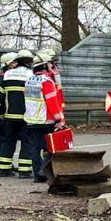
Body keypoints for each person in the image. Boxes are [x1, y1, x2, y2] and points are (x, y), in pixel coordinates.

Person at [24, 53, 65, 182]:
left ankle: (37, 176)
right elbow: (52, 102)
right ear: (44, 66)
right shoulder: (47, 81)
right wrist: (59, 119)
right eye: (50, 64)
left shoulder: (29, 81)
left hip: (32, 120)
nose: (52, 66)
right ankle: (43, 171)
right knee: (51, 149)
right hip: (46, 120)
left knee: (35, 149)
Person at [0, 50, 34, 178]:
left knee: (8, 141)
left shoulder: (7, 75)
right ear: (29, 62)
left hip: (9, 116)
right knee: (26, 142)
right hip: (26, 116)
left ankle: (3, 169)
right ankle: (24, 171)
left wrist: (0, 112)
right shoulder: (31, 75)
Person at [0, 52, 18, 173]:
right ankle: (2, 164)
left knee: (2, 140)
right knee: (5, 140)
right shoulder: (3, 80)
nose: (17, 65)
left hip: (0, 116)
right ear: (8, 64)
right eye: (14, 63)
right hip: (3, 116)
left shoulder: (1, 79)